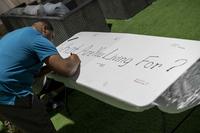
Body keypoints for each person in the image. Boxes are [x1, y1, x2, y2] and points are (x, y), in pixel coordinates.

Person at [0, 20, 81, 133]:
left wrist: (50, 67)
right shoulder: (37, 38)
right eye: (51, 37)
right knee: (42, 127)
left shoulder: (17, 34)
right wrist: (75, 59)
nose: (51, 41)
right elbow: (67, 69)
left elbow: (21, 69)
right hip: (12, 94)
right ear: (45, 29)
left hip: (3, 96)